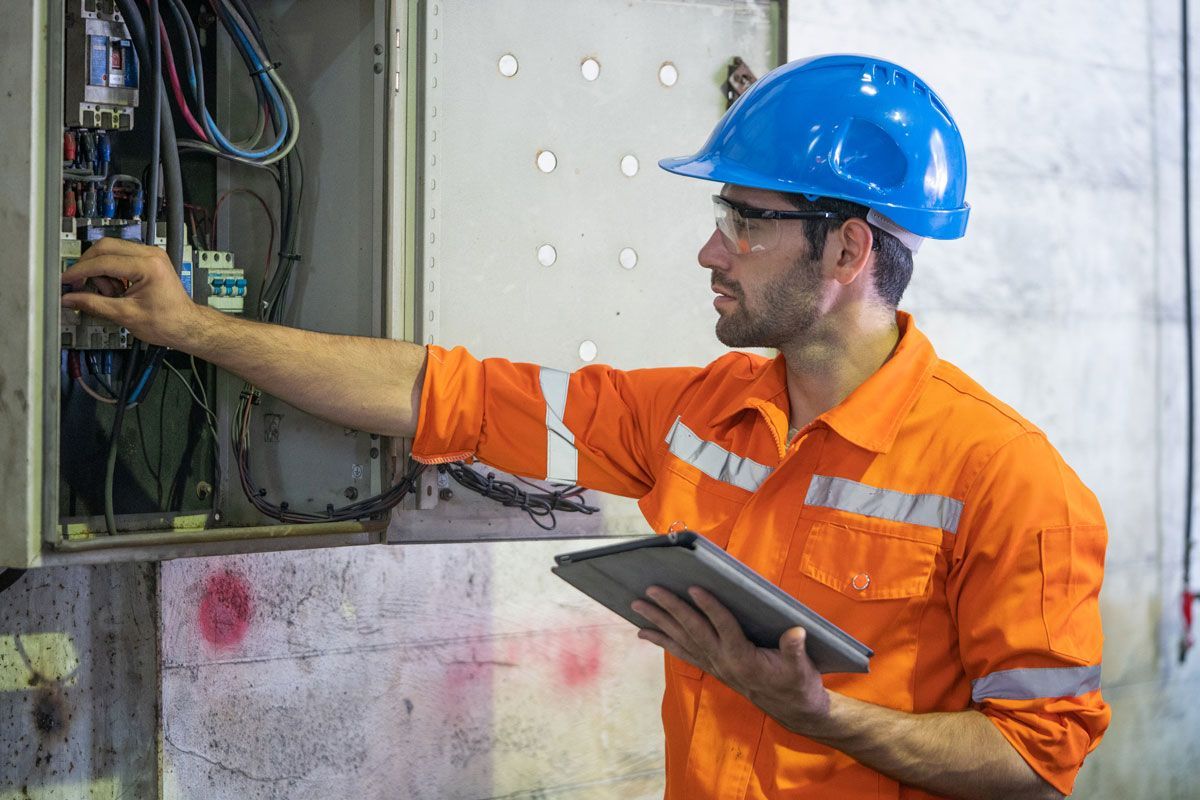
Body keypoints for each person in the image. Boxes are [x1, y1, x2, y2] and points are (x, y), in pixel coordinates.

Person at [62, 54, 1108, 799]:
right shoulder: (701, 415)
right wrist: (195, 328)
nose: (712, 250)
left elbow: (1034, 760)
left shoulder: (1012, 480)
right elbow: (440, 392)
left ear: (846, 254)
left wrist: (826, 718)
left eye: (745, 222)